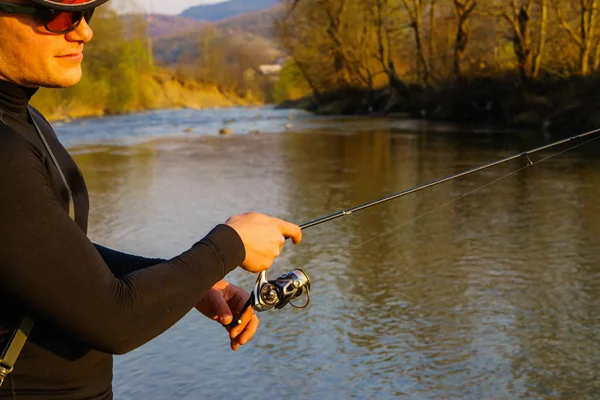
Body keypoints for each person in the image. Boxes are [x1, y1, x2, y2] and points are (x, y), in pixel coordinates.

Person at [0, 0, 303, 398]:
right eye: (58, 15)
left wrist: (189, 282)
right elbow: (113, 319)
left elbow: (52, 255)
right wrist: (228, 246)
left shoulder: (26, 122)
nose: (83, 32)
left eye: (86, 14)